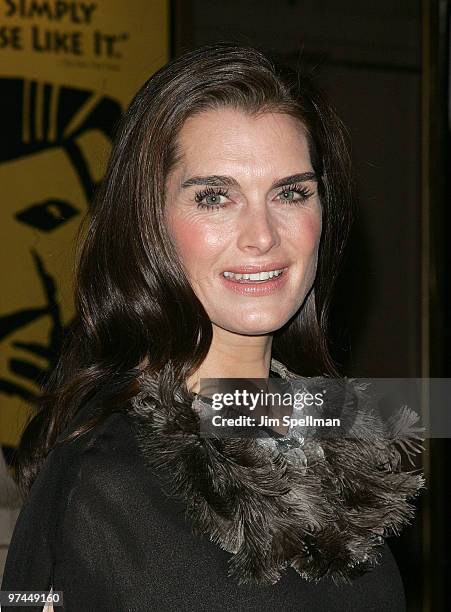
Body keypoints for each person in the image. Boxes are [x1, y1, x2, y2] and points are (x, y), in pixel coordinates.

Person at [2, 42, 424, 611]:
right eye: (215, 197)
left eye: (291, 192)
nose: (262, 235)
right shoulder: (108, 475)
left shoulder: (336, 428)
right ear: (148, 220)